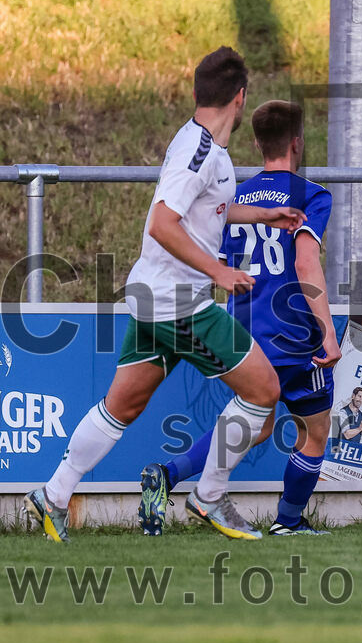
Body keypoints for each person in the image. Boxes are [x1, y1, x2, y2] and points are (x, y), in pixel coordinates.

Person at [23, 48, 306, 542]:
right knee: (263, 391)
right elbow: (161, 223)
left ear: (198, 93)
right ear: (240, 98)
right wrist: (218, 271)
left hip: (154, 299)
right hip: (182, 306)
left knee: (121, 407)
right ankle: (209, 495)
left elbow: (206, 211)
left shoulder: (203, 147)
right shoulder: (198, 153)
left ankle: (52, 495)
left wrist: (259, 216)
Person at [138, 100, 341, 537]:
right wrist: (326, 331)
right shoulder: (311, 195)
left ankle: (168, 475)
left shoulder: (234, 196)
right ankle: (288, 522)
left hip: (244, 332)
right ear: (297, 143)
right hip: (295, 334)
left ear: (256, 143)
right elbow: (305, 264)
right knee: (316, 429)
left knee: (259, 424)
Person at [331, 387, 362, 457]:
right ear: (353, 396)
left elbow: (361, 437)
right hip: (340, 452)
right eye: (359, 396)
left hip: (352, 453)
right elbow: (347, 434)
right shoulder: (343, 412)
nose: (360, 400)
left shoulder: (361, 415)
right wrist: (360, 429)